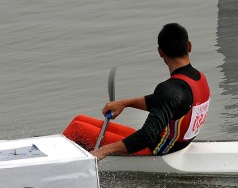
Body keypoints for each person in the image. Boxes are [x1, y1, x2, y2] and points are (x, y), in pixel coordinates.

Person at [63, 23, 210, 160]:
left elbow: (146, 136)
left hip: (158, 149)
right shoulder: (199, 78)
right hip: (175, 143)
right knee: (79, 119)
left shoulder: (170, 89)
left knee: (77, 129)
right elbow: (166, 103)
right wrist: (125, 103)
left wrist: (104, 151)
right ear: (189, 46)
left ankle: (55, 168)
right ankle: (76, 157)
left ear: (160, 52)